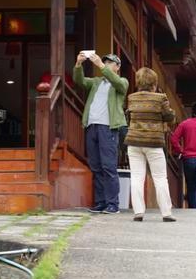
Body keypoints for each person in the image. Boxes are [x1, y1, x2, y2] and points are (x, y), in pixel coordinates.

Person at [73, 52, 129, 214]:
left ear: (117, 67)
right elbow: (79, 81)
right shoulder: (96, 82)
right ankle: (101, 202)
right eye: (105, 62)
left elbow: (118, 83)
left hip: (108, 127)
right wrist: (78, 64)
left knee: (108, 166)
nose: (107, 64)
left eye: (110, 63)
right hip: (92, 126)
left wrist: (100, 65)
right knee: (96, 166)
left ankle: (113, 203)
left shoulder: (122, 82)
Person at [124, 67, 176, 222]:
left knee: (136, 177)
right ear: (154, 82)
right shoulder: (160, 98)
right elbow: (169, 117)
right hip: (154, 142)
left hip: (134, 141)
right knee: (160, 177)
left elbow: (129, 117)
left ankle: (138, 212)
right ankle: (166, 213)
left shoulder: (131, 98)